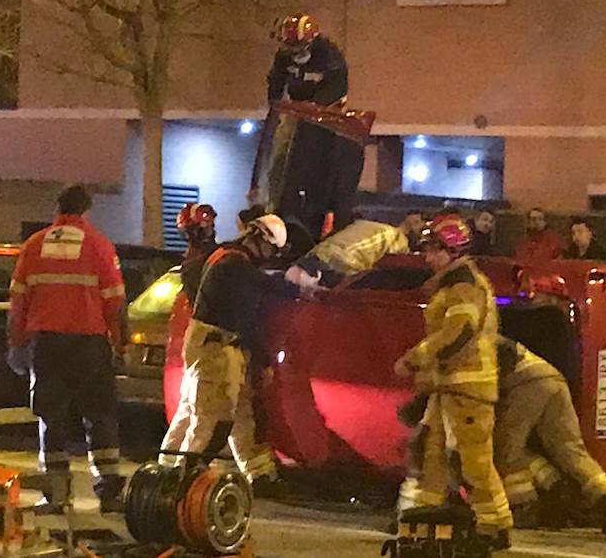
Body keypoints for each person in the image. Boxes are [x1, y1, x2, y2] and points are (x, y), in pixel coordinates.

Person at [394, 215, 513, 551]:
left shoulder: (463, 285)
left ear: (451, 250)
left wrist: (416, 357)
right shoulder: (453, 283)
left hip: (469, 387)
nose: (428, 258)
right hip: (451, 386)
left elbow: (458, 331)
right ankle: (422, 515)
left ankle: (495, 525)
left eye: (434, 250)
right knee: (429, 451)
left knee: (474, 460)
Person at [6, 185, 127, 514]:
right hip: (90, 344)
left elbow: (18, 303)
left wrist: (16, 343)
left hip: (47, 345)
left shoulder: (34, 245)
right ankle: (109, 492)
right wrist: (120, 343)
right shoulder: (98, 245)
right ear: (86, 210)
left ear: (57, 210)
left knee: (51, 417)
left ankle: (57, 495)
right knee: (100, 416)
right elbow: (114, 302)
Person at [162, 215, 299, 494]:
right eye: (272, 250)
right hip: (218, 346)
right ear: (260, 241)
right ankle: (182, 481)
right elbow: (247, 317)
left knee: (222, 410)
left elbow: (255, 281)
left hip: (211, 343)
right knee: (214, 418)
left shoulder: (225, 255)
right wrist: (263, 361)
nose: (271, 257)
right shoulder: (235, 264)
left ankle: (256, 473)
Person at [494, 337, 606, 534]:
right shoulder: (490, 335)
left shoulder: (470, 340)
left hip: (524, 384)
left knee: (507, 450)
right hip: (552, 378)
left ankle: (525, 506)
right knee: (570, 449)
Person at [262, 12, 358, 239]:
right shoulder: (284, 57)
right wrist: (277, 102)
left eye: (298, 48)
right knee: (281, 150)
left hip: (328, 115)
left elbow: (337, 88)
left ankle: (319, 204)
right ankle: (275, 200)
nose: (294, 53)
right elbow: (275, 82)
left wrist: (315, 108)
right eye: (291, 48)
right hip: (297, 110)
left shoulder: (330, 56)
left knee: (318, 157)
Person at [158, 203, 218, 468]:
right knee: (203, 410)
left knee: (188, 406)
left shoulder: (194, 259)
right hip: (209, 342)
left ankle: (168, 461)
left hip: (197, 342)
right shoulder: (204, 262)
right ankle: (183, 468)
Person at [285, 211, 425, 289]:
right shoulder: (398, 241)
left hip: (314, 257)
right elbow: (392, 268)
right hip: (337, 266)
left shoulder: (370, 225)